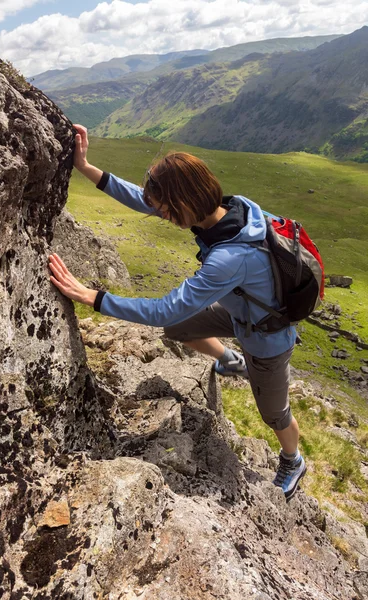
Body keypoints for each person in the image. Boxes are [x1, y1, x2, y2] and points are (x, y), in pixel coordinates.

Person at [49, 124, 306, 501]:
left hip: (267, 338)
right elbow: (144, 200)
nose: (162, 215)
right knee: (178, 329)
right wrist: (86, 167)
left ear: (186, 199)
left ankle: (293, 460)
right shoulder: (231, 209)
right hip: (240, 312)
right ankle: (229, 359)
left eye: (167, 209)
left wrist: (94, 298)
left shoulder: (228, 258)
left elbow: (163, 309)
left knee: (274, 413)